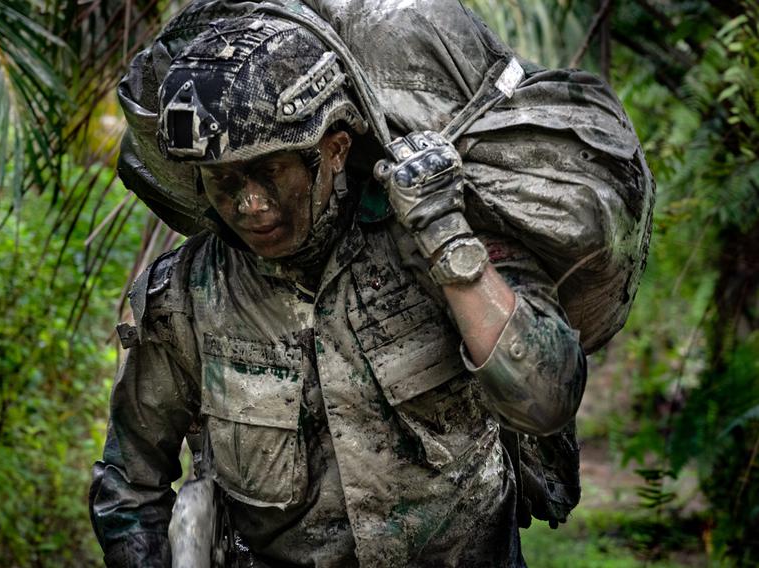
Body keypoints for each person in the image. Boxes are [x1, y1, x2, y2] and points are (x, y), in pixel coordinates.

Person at [89, 3, 645, 565]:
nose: (249, 203)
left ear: (333, 150)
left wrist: (449, 242)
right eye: (225, 180)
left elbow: (547, 401)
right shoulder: (185, 298)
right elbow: (130, 486)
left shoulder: (437, 245)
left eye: (269, 171)